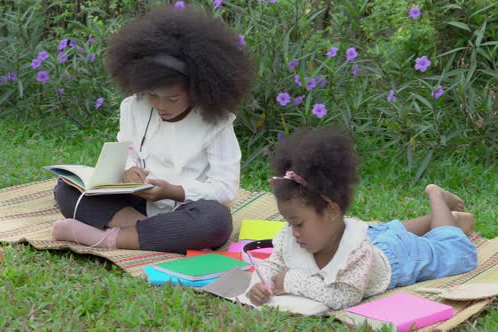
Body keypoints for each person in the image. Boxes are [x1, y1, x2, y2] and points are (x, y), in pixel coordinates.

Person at [50, 5, 254, 254]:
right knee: (67, 188)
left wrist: (174, 191)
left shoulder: (216, 123)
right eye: (153, 95)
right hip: (136, 204)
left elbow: (225, 188)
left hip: (187, 206)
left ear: (198, 88)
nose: (160, 105)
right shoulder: (133, 107)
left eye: (172, 98)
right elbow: (127, 150)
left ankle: (108, 239)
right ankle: (156, 232)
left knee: (216, 221)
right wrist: (127, 171)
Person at [246, 127, 477, 310]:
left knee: (455, 250)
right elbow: (272, 264)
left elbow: (345, 296)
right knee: (389, 231)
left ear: (331, 212)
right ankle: (447, 217)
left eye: (298, 223)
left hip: (399, 257)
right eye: (289, 223)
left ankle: (436, 197)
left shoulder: (357, 252)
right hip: (374, 235)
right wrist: (262, 283)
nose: (292, 231)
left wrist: (292, 281)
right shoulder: (299, 235)